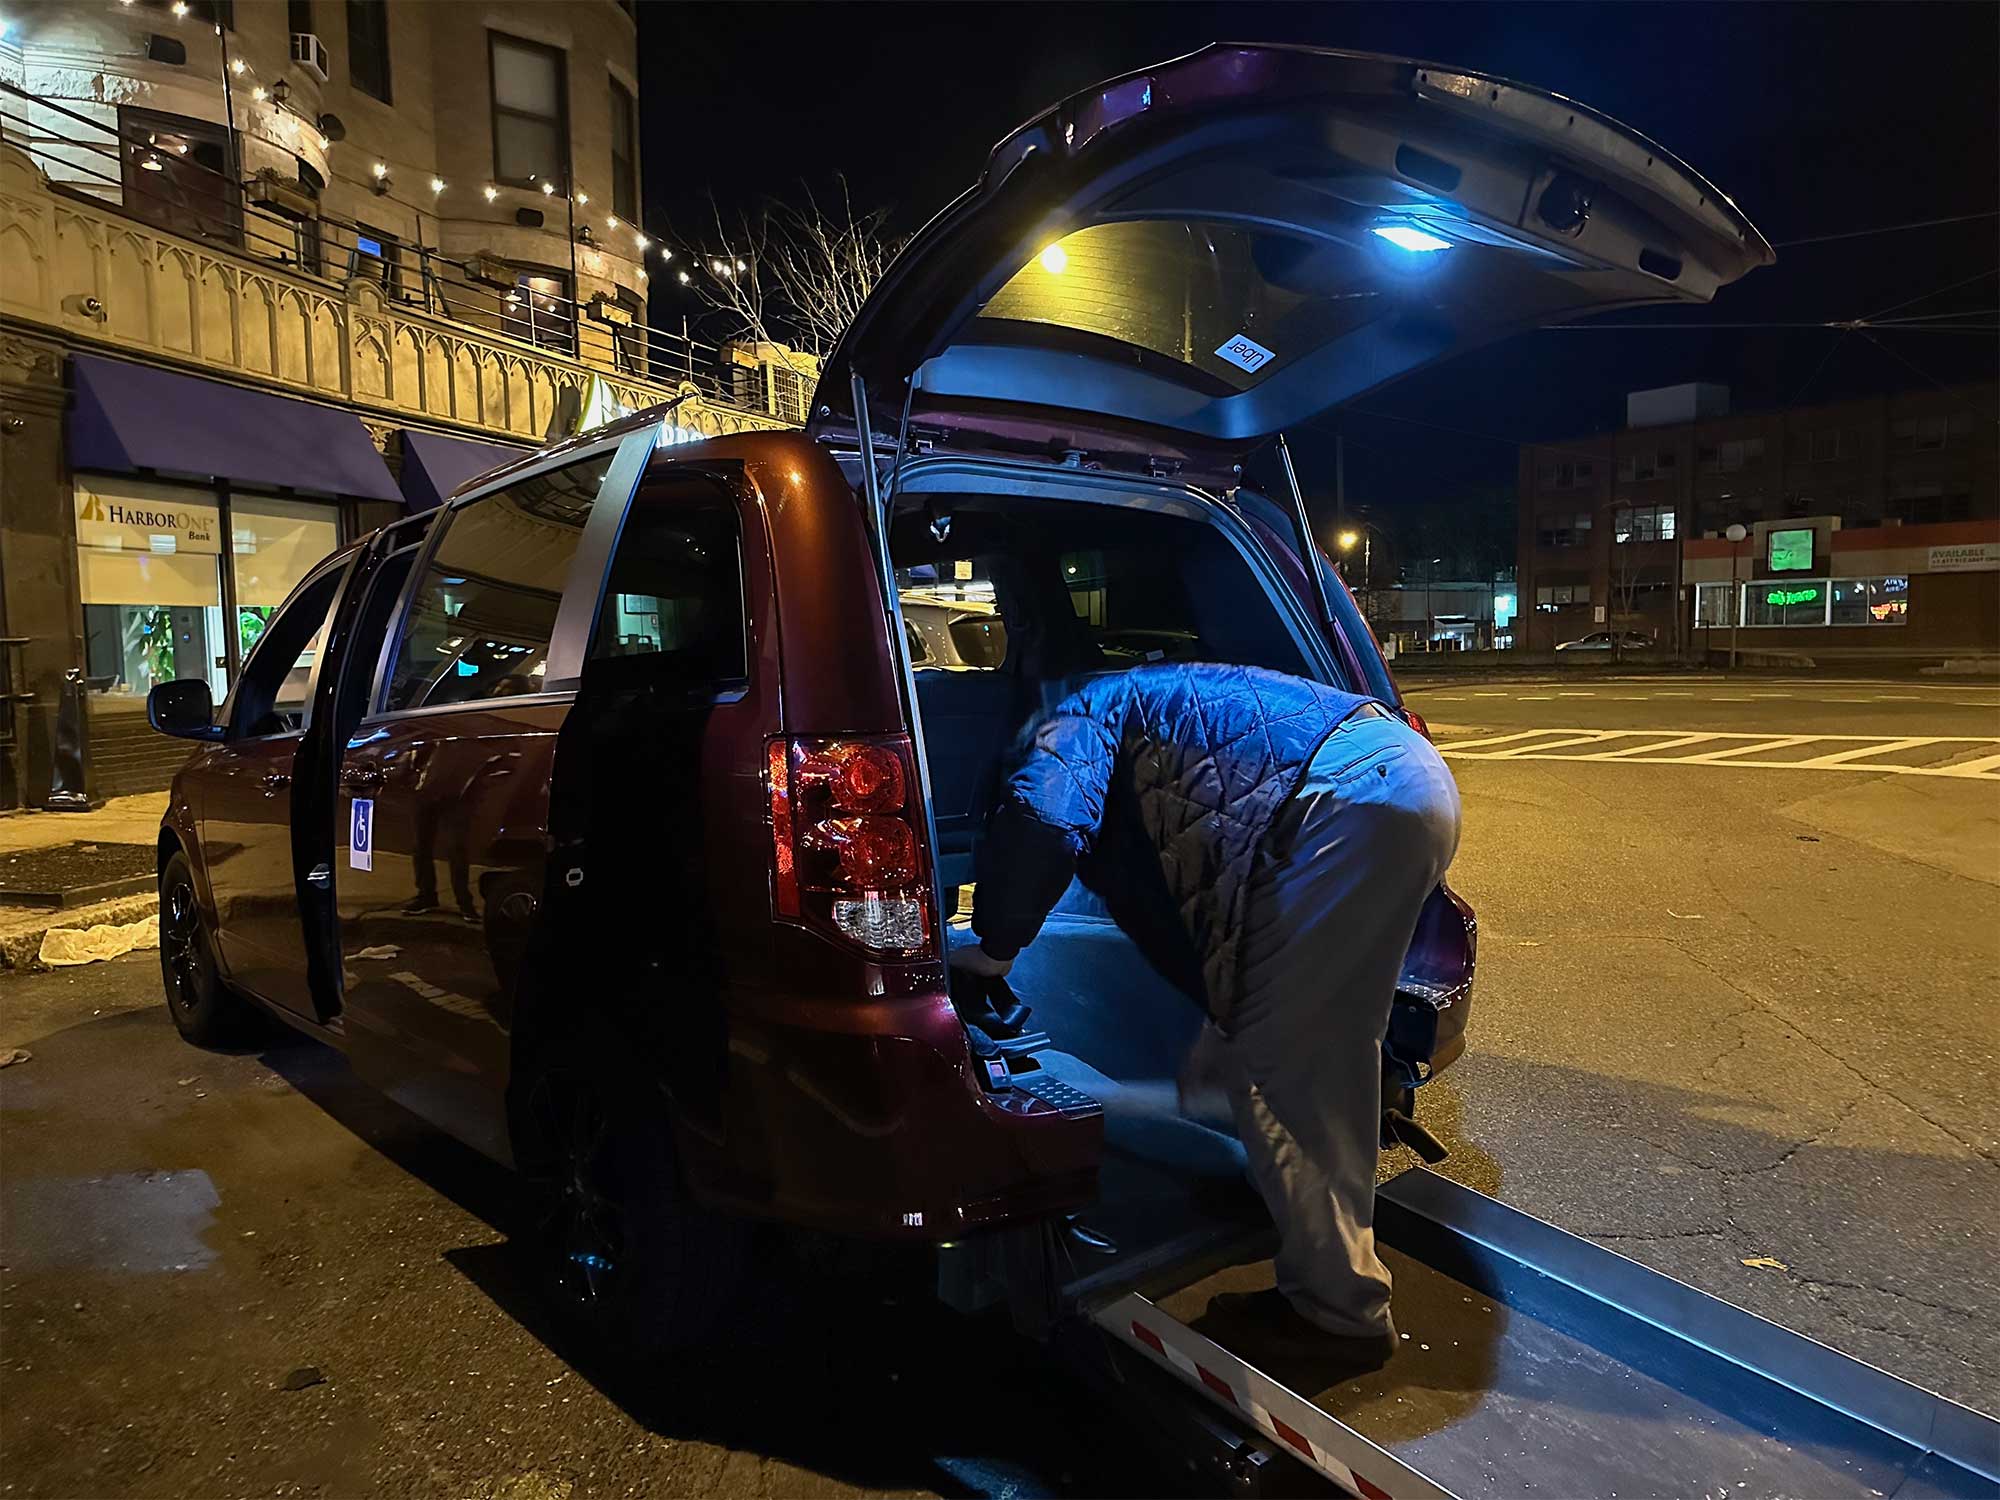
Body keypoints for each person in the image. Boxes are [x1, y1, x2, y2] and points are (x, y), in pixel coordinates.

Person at [949, 662, 1460, 1368]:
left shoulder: (1073, 720)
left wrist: (994, 947)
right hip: (1397, 777)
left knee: (1292, 1076)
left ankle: (1339, 1317)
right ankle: (1284, 1200)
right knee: (1323, 1048)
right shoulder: (1160, 742)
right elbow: (1220, 913)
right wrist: (1222, 1029)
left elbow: (1045, 820)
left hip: (1339, 800)